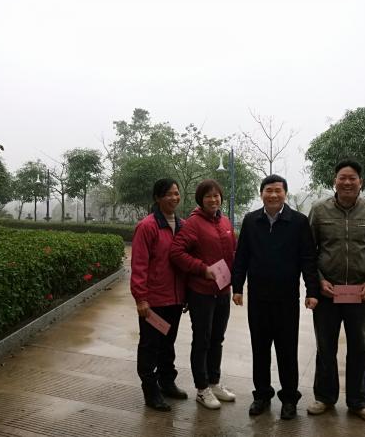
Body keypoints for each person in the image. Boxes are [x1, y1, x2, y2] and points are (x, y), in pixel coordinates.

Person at [307, 160, 365, 424]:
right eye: (342, 177)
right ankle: (324, 397)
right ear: (334, 181)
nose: (347, 182)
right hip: (328, 293)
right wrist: (319, 281)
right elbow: (308, 252)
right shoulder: (319, 210)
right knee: (325, 347)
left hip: (360, 293)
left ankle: (359, 402)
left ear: (360, 182)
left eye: (352, 178)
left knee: (360, 348)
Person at [231, 174, 320, 420]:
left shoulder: (299, 222)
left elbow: (308, 259)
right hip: (258, 299)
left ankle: (289, 398)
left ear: (285, 194)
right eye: (268, 190)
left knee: (287, 350)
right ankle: (261, 395)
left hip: (286, 299)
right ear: (261, 194)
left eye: (277, 191)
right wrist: (237, 287)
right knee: (259, 349)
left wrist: (312, 291)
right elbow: (242, 256)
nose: (273, 195)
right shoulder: (251, 221)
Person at [170, 179, 237, 410]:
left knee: (217, 338)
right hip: (201, 293)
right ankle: (202, 388)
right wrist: (202, 269)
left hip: (223, 291)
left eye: (216, 195)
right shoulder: (193, 224)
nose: (213, 199)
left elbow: (233, 251)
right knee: (202, 339)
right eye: (208, 196)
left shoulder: (225, 221)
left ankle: (214, 382)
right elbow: (176, 252)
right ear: (201, 199)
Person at [130, 178, 188, 412]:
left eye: (176, 193)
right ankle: (150, 390)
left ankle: (167, 382)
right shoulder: (148, 226)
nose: (174, 198)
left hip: (175, 300)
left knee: (168, 343)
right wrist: (141, 298)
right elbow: (139, 265)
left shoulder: (182, 225)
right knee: (150, 346)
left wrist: (185, 294)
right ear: (157, 198)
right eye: (169, 194)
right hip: (154, 301)